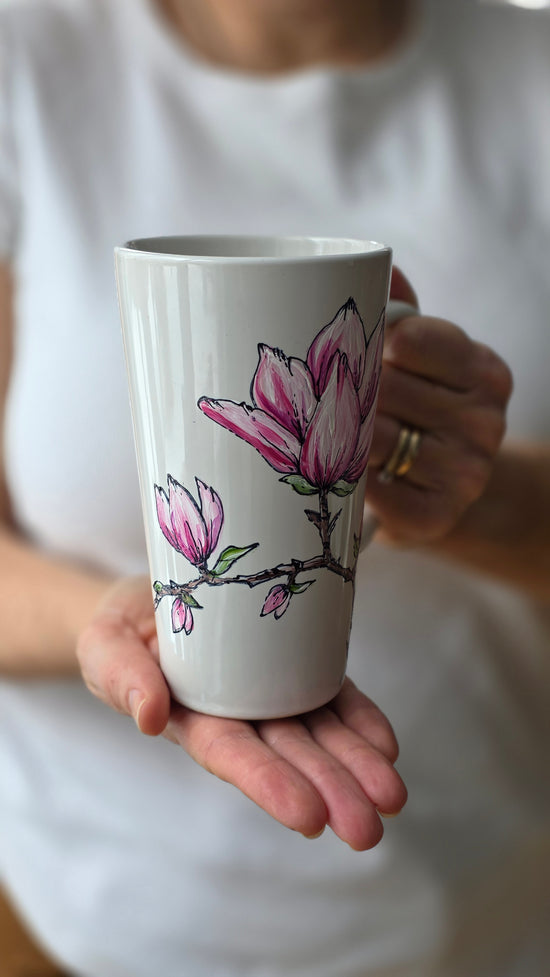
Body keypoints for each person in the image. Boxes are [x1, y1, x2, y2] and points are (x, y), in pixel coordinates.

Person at [0, 0, 548, 975]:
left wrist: (473, 495)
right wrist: (143, 621)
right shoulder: (28, 66)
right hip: (91, 919)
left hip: (494, 913)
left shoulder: (530, 71)